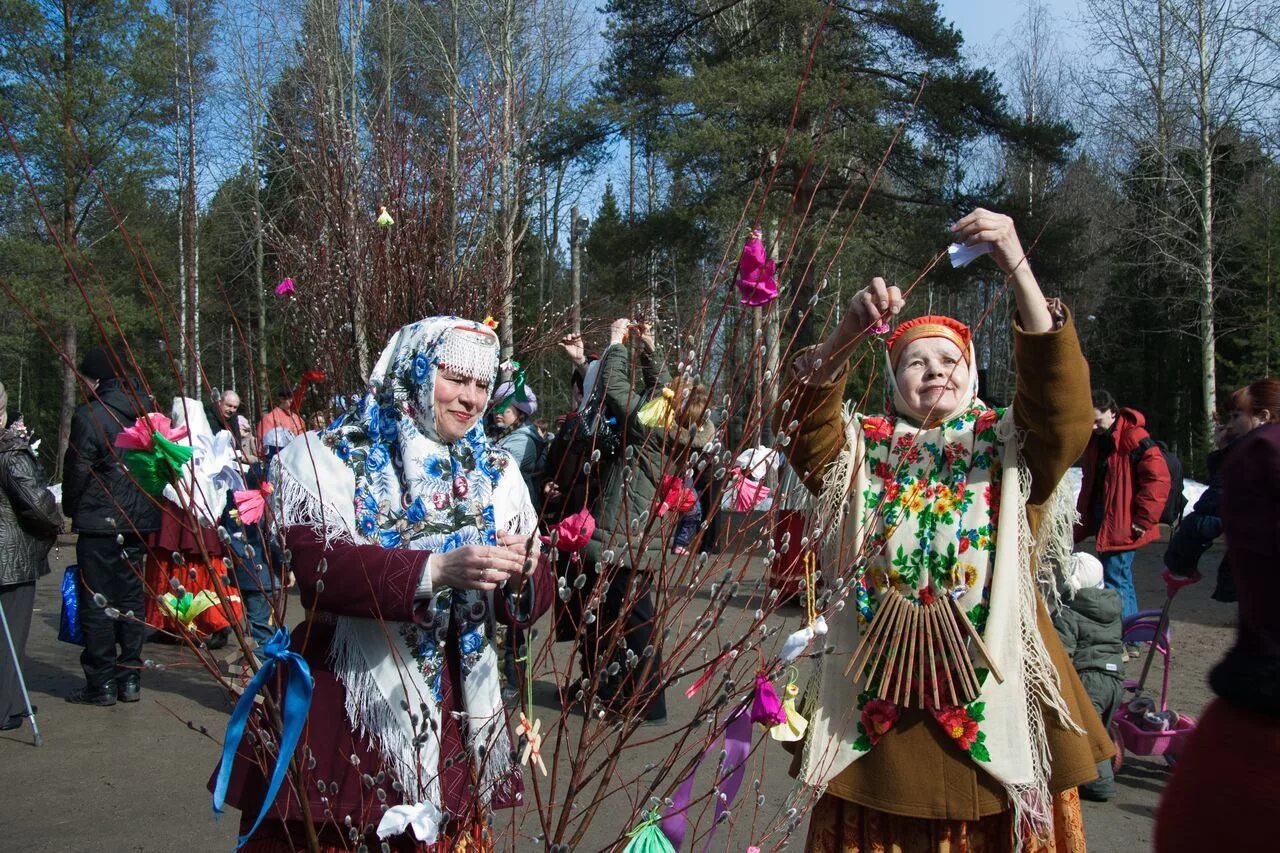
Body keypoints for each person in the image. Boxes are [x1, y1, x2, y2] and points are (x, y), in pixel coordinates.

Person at [780, 209, 1110, 851]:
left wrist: (1013, 259)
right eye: (914, 361)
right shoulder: (860, 451)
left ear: (975, 375)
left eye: (950, 359)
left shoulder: (1011, 447)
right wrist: (849, 330)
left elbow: (1062, 407)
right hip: (878, 728)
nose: (934, 371)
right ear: (893, 382)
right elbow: (803, 424)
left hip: (998, 709)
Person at [214, 316, 552, 850]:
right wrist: (432, 571)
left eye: (482, 384)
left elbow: (527, 602)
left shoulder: (496, 471)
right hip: (352, 701)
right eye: (455, 378)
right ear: (413, 372)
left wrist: (526, 569)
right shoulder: (328, 457)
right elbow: (319, 571)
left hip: (457, 707)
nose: (470, 399)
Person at [1154, 385, 1279, 853]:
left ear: (1262, 415)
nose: (1226, 426)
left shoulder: (1260, 456)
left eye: (1234, 415)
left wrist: (1180, 560)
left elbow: (1205, 518)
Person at [581, 318, 710, 725]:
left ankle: (642, 700)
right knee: (630, 613)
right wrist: (650, 347)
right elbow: (664, 390)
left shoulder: (651, 427)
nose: (669, 388)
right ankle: (623, 692)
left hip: (624, 530)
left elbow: (614, 389)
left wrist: (617, 342)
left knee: (628, 617)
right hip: (643, 533)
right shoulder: (683, 429)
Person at [61, 345, 163, 706]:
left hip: (101, 521)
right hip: (138, 520)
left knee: (98, 601)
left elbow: (76, 469)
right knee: (132, 598)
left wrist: (72, 509)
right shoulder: (148, 416)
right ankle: (129, 679)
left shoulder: (92, 416)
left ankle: (102, 682)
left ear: (98, 379)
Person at [1074, 389, 1171, 620]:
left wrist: (1144, 519)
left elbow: (1158, 480)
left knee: (1117, 578)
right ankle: (1121, 637)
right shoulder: (1096, 441)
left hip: (1124, 520)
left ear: (1113, 412)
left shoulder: (1135, 438)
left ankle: (1129, 639)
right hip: (1105, 515)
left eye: (1097, 421)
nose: (1093, 427)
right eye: (1090, 422)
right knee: (1112, 577)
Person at [0, 384, 62, 731]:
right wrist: (56, 519)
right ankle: (5, 706)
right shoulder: (10, 453)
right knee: (10, 633)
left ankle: (12, 699)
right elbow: (37, 503)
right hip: (9, 557)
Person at [1051, 552, 1125, 802]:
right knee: (1098, 732)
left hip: (1089, 678)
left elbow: (1062, 652)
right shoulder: (1113, 606)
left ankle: (1100, 786)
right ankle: (1093, 773)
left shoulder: (1069, 613)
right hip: (1115, 678)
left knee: (1089, 737)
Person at [492, 376, 545, 506]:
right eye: (495, 406)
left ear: (520, 412)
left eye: (504, 407)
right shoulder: (502, 435)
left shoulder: (523, 441)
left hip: (515, 506)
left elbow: (498, 474)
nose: (497, 412)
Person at [256, 385, 305, 461]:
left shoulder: (299, 420)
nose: (293, 400)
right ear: (281, 398)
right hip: (278, 463)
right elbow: (262, 449)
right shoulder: (269, 419)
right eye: (290, 397)